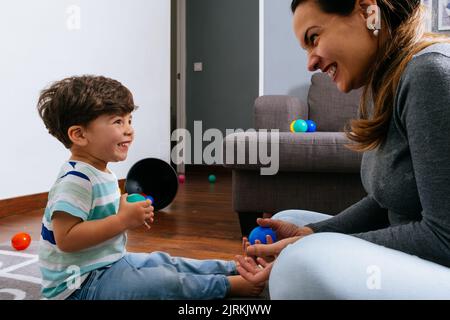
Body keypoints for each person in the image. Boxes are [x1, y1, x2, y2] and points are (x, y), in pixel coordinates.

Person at [236, 0, 450, 299]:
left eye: (314, 38)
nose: (310, 61)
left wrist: (309, 249)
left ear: (367, 11)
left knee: (299, 264)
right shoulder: (385, 84)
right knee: (293, 223)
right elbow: (387, 200)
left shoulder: (431, 74)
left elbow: (445, 239)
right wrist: (313, 233)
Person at [37, 75, 264, 300]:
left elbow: (99, 219)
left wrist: (126, 211)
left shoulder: (101, 171)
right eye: (118, 121)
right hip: (79, 287)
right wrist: (122, 220)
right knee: (164, 282)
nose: (129, 130)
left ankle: (232, 268)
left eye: (129, 120)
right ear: (79, 134)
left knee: (163, 261)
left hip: (108, 263)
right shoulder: (75, 180)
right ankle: (226, 285)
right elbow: (66, 239)